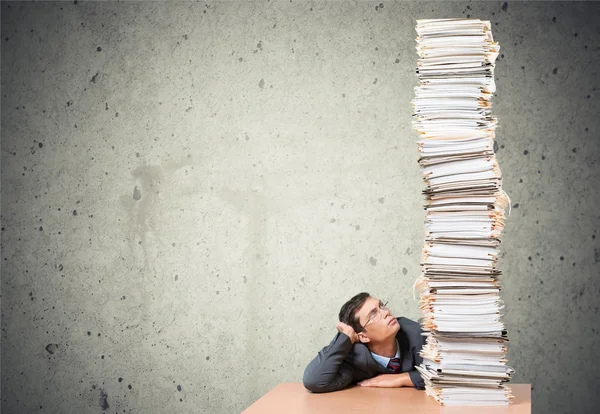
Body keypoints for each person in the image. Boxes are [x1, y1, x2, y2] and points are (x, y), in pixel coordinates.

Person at [302, 292, 426, 393]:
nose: (386, 312)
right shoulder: (355, 357)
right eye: (373, 314)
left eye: (381, 306)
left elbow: (442, 374)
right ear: (363, 336)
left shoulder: (415, 333)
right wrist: (344, 337)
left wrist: (403, 379)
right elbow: (314, 380)